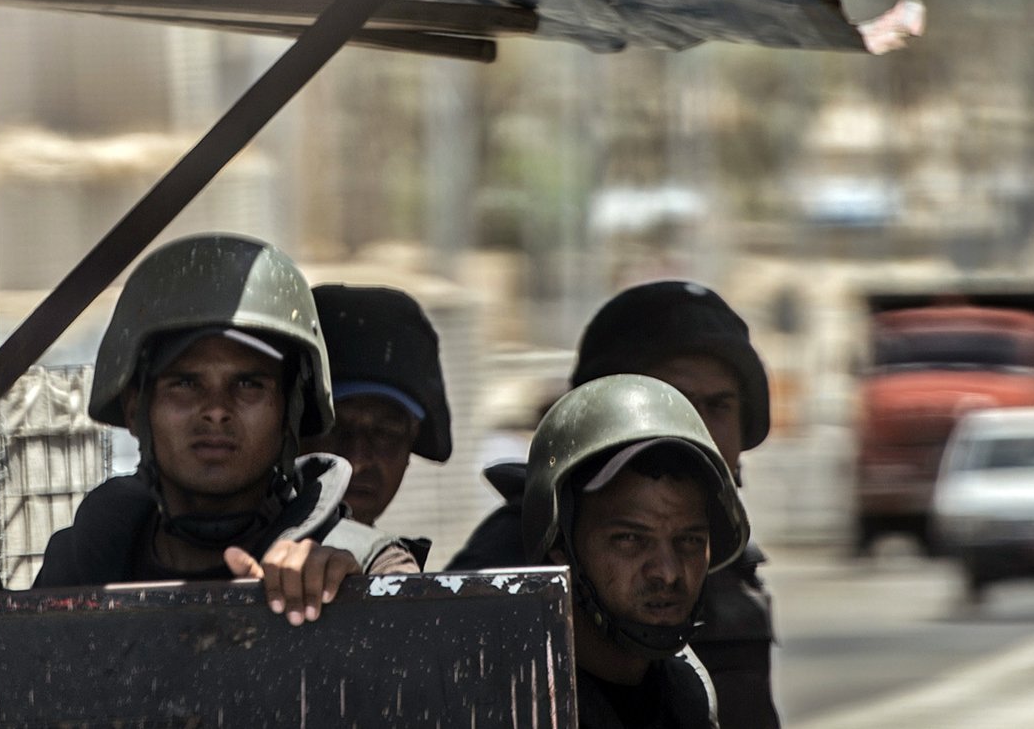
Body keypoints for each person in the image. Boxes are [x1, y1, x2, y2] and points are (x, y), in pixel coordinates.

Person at [31, 233, 420, 623]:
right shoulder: (79, 571)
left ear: (290, 413)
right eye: (185, 383)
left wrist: (354, 598)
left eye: (249, 384)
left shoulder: (367, 564)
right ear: (136, 410)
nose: (216, 410)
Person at [451, 280, 781, 729]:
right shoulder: (510, 579)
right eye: (629, 539)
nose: (666, 571)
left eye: (718, 405)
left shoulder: (697, 662)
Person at [522, 374, 751, 729]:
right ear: (560, 545)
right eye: (630, 539)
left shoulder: (688, 691)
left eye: (688, 541)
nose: (668, 572)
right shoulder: (514, 699)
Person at [298, 284, 453, 534]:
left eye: (386, 432)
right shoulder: (240, 565)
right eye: (333, 427)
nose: (357, 461)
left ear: (411, 443)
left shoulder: (394, 566)